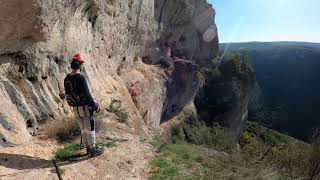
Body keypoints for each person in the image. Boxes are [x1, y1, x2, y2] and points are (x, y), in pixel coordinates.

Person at [64, 53, 104, 157]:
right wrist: (95, 105)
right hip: (85, 107)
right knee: (90, 128)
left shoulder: (66, 79)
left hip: (75, 108)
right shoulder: (81, 78)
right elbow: (87, 95)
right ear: (80, 65)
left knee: (83, 129)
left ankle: (87, 148)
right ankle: (93, 149)